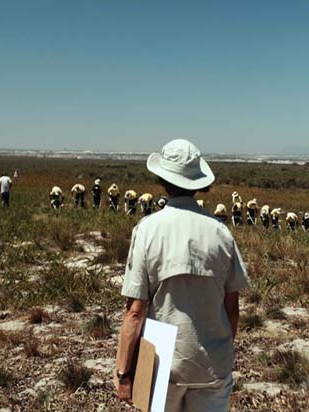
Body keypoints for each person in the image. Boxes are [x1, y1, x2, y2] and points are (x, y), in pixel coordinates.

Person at [115, 139, 249, 412]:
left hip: (160, 359)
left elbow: (134, 312)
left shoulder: (147, 229)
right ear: (198, 181)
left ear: (162, 179)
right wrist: (219, 347)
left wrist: (124, 372)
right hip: (213, 361)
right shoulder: (221, 231)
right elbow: (232, 307)